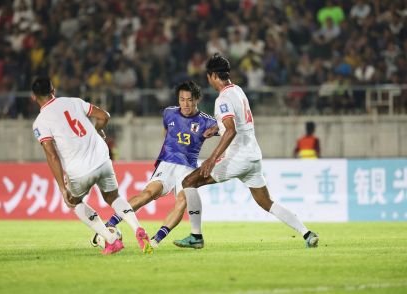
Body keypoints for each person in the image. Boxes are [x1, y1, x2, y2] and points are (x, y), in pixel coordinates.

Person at [175, 54, 319, 249]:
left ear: (212, 76)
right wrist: (217, 128)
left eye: (208, 76)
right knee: (266, 202)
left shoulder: (222, 99)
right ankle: (307, 233)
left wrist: (212, 158)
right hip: (253, 157)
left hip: (237, 157)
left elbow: (232, 129)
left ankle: (196, 236)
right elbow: (237, 122)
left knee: (188, 182)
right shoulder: (238, 91)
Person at [31, 76, 152, 255]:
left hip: (79, 170)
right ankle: (138, 228)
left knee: (75, 202)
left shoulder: (40, 122)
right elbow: (104, 116)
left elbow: (51, 155)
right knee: (114, 198)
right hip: (102, 159)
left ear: (33, 97)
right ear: (53, 91)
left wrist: (62, 188)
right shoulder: (73, 101)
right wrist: (97, 130)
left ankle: (111, 240)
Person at [91, 80, 218, 249]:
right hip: (166, 164)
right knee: (149, 193)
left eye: (189, 99)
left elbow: (226, 128)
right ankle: (109, 224)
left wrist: (217, 131)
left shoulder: (206, 121)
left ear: (197, 100)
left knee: (182, 201)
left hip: (188, 168)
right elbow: (166, 131)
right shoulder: (169, 113)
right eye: (182, 99)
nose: (185, 104)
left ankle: (155, 240)